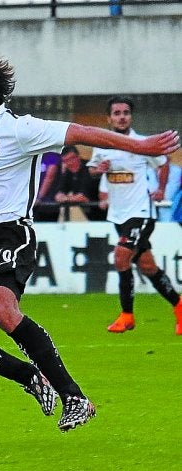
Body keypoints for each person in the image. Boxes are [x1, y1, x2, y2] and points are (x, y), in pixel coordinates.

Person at [0, 52, 180, 432]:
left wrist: (142, 147)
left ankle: (75, 397)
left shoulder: (19, 130)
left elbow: (80, 132)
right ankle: (28, 377)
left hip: (12, 233)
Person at [87, 96, 182, 335]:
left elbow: (164, 163)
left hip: (141, 213)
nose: (121, 116)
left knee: (120, 258)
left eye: (126, 112)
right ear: (109, 118)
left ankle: (126, 316)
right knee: (148, 267)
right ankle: (180, 307)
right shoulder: (102, 145)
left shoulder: (142, 143)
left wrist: (160, 189)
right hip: (118, 215)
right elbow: (91, 169)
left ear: (130, 116)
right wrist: (98, 170)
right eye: (117, 113)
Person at [55, 145, 106, 221]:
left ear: (78, 156)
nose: (69, 163)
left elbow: (83, 197)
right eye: (66, 161)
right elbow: (58, 194)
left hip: (100, 212)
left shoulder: (89, 170)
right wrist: (63, 197)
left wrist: (66, 199)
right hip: (85, 214)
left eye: (72, 159)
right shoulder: (67, 172)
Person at [34, 152, 62, 222]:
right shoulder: (35, 155)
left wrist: (39, 197)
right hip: (33, 203)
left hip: (48, 203)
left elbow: (50, 177)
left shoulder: (52, 155)